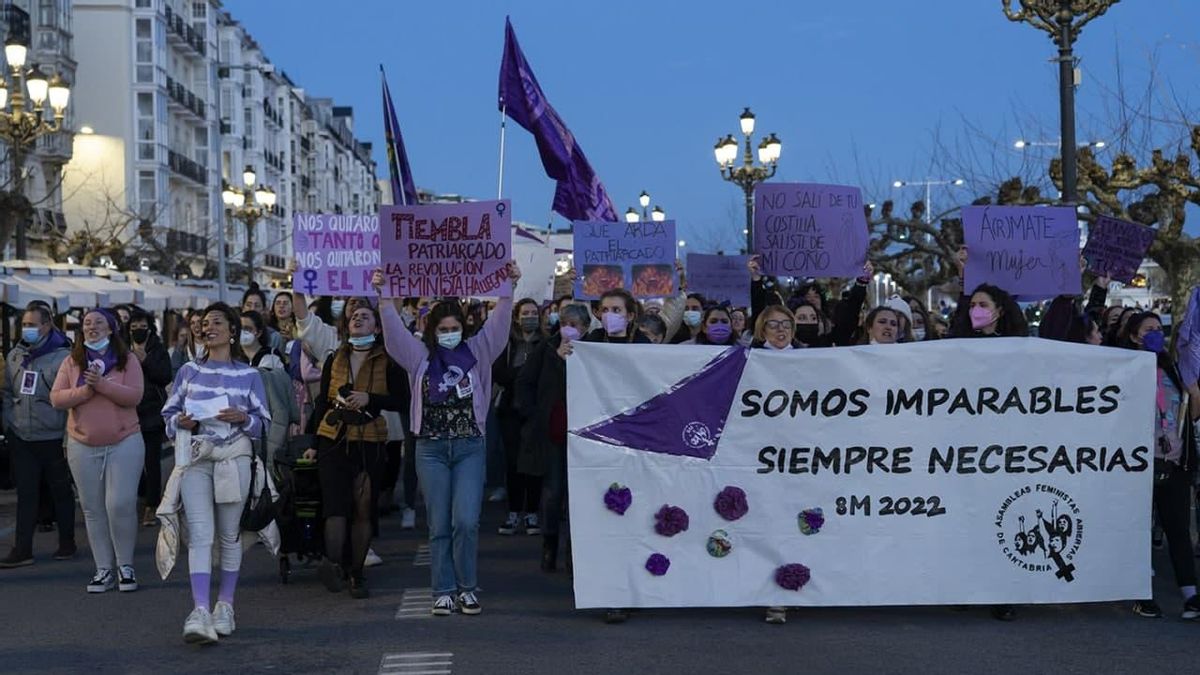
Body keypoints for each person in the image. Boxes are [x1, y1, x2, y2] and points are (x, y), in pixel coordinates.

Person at [375, 262, 522, 617]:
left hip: (471, 446)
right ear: (431, 330)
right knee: (439, 523)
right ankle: (443, 590)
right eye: (443, 329)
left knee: (467, 521)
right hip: (430, 449)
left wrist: (508, 286)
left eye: (455, 328)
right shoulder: (419, 355)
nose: (450, 333)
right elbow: (394, 333)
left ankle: (468, 589)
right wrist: (384, 294)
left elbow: (500, 323)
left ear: (464, 328)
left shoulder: (479, 350)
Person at [160, 302, 271, 644]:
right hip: (196, 458)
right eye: (205, 323)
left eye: (217, 323)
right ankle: (200, 611)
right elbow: (169, 417)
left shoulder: (250, 374)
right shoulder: (188, 372)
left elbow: (263, 424)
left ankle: (226, 605)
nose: (208, 328)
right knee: (199, 533)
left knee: (228, 534)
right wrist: (180, 422)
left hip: (234, 460)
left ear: (233, 331)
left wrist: (244, 419)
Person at [306, 304, 407, 599]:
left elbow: (401, 400)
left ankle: (357, 574)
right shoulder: (335, 358)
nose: (358, 319)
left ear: (376, 327)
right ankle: (334, 564)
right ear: (346, 326)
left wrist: (370, 398)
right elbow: (322, 404)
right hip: (333, 438)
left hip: (370, 440)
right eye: (353, 317)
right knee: (335, 507)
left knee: (363, 508)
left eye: (365, 316)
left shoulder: (388, 359)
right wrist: (313, 443)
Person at [50, 308, 145, 594]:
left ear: (112, 328)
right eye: (87, 323)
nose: (91, 327)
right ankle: (103, 569)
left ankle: (125, 566)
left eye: (98, 322)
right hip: (82, 443)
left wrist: (101, 385)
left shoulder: (127, 360)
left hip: (124, 440)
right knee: (92, 509)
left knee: (120, 504)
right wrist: (83, 392)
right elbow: (56, 398)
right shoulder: (72, 361)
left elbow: (134, 396)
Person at [1119, 312, 1200, 620]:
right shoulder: (1123, 368)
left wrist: (1194, 393)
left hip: (1174, 460)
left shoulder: (1176, 370)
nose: (1155, 333)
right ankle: (1142, 595)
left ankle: (1190, 595)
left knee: (1178, 529)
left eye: (1158, 329)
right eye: (1148, 329)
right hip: (1136, 463)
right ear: (1134, 336)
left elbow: (1192, 413)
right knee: (1137, 531)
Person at [515, 303, 592, 575]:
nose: (568, 329)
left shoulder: (594, 350)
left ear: (585, 328)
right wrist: (533, 414)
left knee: (579, 496)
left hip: (583, 434)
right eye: (564, 323)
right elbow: (524, 382)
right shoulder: (546, 349)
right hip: (552, 434)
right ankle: (549, 546)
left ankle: (575, 552)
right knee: (552, 492)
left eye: (575, 325)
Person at [0, 303, 75, 568]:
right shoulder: (15, 355)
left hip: (53, 436)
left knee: (61, 491)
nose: (27, 329)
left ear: (46, 325)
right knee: (27, 494)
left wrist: (68, 437)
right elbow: (7, 392)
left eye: (32, 324)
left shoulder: (64, 356)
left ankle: (67, 542)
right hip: (22, 436)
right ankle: (22, 549)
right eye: (24, 324)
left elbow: (71, 401)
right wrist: (10, 422)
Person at [494, 299, 545, 536]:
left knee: (534, 462)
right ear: (516, 317)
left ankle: (532, 513)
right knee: (513, 463)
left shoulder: (545, 343)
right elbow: (499, 374)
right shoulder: (506, 344)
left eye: (534, 313)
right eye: (525, 313)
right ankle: (514, 512)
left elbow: (546, 376)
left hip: (536, 411)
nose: (530, 317)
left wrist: (523, 375)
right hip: (510, 410)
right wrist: (525, 373)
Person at [127, 307, 173, 527]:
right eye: (134, 327)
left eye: (142, 327)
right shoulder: (123, 349)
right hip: (128, 413)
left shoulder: (158, 349)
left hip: (152, 412)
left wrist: (145, 360)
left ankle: (151, 505)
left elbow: (164, 376)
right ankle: (142, 494)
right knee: (132, 461)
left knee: (151, 461)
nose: (138, 331)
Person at [242, 310, 299, 464]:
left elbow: (276, 405)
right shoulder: (239, 361)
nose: (242, 333)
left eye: (247, 329)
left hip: (268, 428)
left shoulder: (270, 358)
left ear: (259, 332)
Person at [171, 309, 206, 376]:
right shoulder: (181, 349)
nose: (196, 325)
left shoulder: (213, 347)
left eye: (199, 322)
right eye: (192, 323)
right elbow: (175, 373)